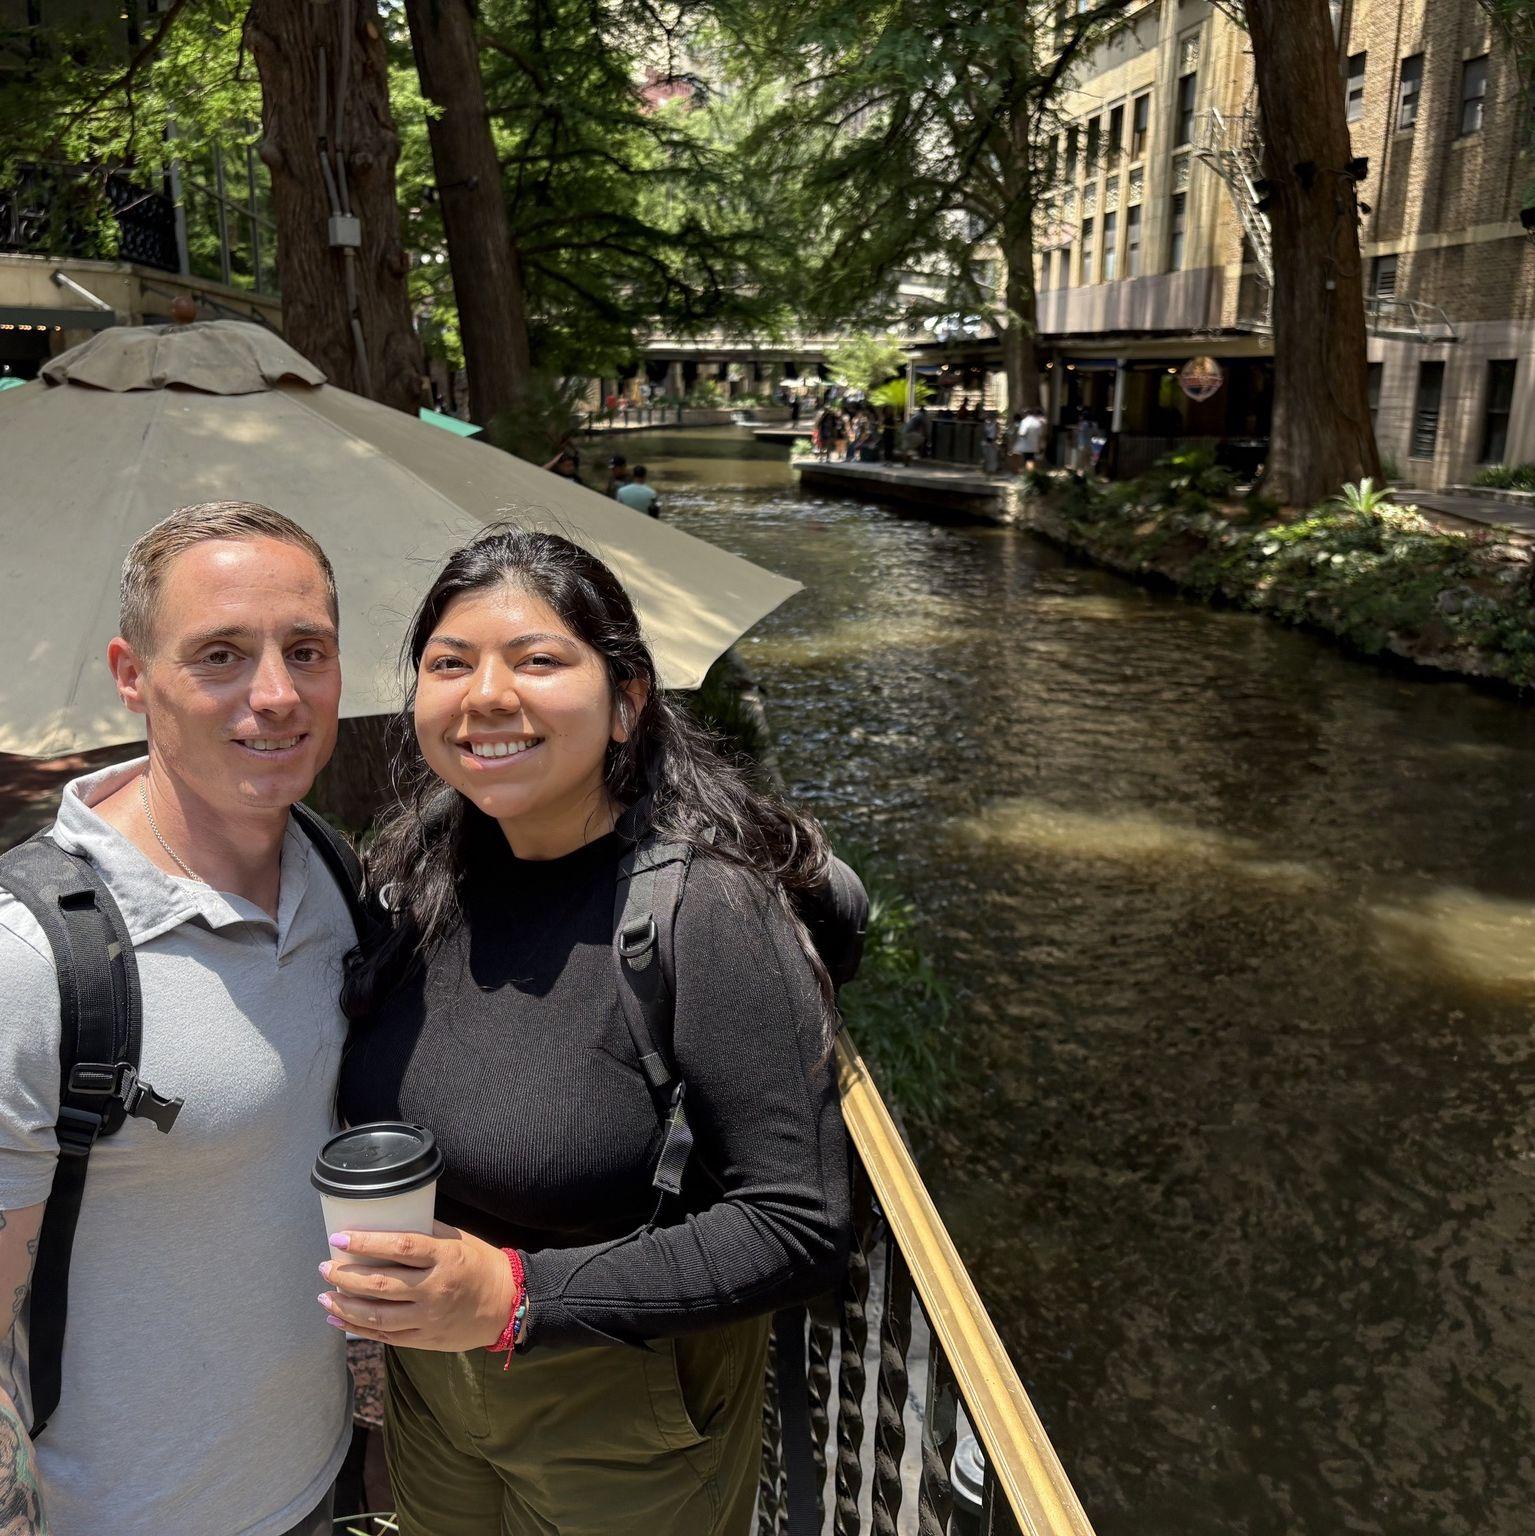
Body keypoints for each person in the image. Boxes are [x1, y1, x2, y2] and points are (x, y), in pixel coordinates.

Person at [323, 527, 852, 1536]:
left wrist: (517, 1294)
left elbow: (800, 1222)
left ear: (626, 702)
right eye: (449, 664)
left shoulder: (706, 911)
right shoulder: (417, 875)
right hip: (434, 1386)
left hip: (623, 1407)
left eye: (537, 661)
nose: (484, 695)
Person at [0, 502, 356, 1536]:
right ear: (130, 674)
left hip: (315, 1482)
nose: (277, 695)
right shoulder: (33, 961)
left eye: (306, 651)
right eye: (220, 655)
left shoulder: (328, 871)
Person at [1017, 405, 1048, 474]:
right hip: (1034, 445)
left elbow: (1022, 433)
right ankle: (1031, 474)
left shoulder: (1024, 422)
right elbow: (1040, 434)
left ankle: (1028, 474)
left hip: (1026, 445)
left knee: (1026, 460)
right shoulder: (1037, 422)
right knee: (1031, 460)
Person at [981, 410, 1001, 474]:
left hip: (992, 441)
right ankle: (986, 469)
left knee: (993, 456)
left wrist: (994, 440)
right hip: (986, 441)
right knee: (986, 456)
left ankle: (993, 470)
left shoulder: (996, 424)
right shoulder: (987, 423)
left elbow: (997, 433)